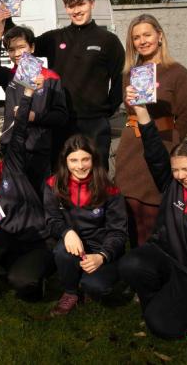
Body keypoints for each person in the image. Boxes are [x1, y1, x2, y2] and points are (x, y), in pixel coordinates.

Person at [118, 88, 187, 340]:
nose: (181, 176)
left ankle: (179, 308)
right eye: (176, 170)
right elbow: (155, 152)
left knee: (164, 328)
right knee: (131, 264)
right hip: (167, 257)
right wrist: (141, 110)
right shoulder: (172, 185)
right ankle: (157, 304)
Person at [23, 0, 125, 168]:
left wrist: (107, 109)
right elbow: (23, 44)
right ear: (65, 8)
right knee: (60, 174)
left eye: (81, 4)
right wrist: (6, 19)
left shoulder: (108, 40)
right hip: (60, 122)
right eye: (71, 6)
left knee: (96, 174)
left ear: (92, 4)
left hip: (94, 124)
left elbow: (120, 78)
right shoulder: (54, 38)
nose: (76, 11)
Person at [115, 14, 187, 246]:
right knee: (130, 217)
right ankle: (133, 264)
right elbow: (129, 110)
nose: (142, 41)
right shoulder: (130, 73)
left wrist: (172, 147)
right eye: (136, 37)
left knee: (154, 221)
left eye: (147, 35)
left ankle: (154, 264)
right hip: (131, 149)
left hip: (161, 146)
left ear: (159, 36)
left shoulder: (177, 72)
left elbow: (184, 118)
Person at [0, 84, 52, 301]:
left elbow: (19, 130)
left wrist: (27, 95)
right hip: (8, 241)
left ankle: (38, 274)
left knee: (22, 283)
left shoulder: (11, 167)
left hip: (36, 239)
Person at [43, 135, 127, 316]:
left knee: (96, 286)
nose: (80, 166)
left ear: (94, 159)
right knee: (62, 251)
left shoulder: (109, 189)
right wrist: (67, 232)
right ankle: (70, 292)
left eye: (85, 159)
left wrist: (102, 256)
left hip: (101, 248)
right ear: (65, 162)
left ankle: (87, 282)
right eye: (73, 160)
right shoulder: (53, 185)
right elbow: (51, 220)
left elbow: (118, 232)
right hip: (73, 246)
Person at [0, 11, 68, 191]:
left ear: (32, 47)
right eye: (11, 49)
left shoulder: (51, 77)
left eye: (21, 47)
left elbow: (61, 116)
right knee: (13, 197)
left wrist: (34, 116)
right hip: (10, 148)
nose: (16, 53)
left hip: (38, 150)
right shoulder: (9, 76)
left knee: (39, 198)